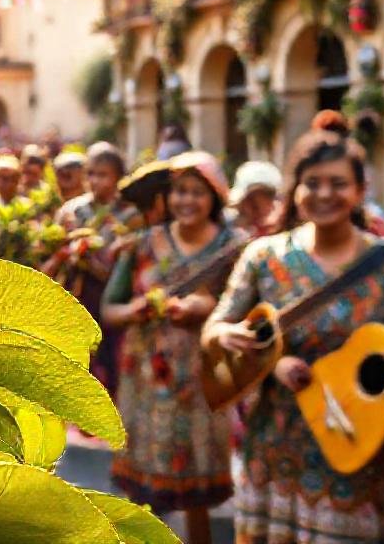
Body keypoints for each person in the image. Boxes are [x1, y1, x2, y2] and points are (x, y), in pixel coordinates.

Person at [206, 113, 384, 542]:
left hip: (361, 448)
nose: (325, 193)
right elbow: (216, 325)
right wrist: (244, 346)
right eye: (313, 182)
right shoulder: (263, 256)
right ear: (294, 191)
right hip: (276, 448)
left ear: (361, 192)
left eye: (339, 184)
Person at [103, 151, 241, 544]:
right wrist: (137, 308)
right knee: (142, 476)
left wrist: (207, 308)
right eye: (179, 191)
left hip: (200, 377)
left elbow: (252, 309)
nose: (187, 201)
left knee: (195, 485)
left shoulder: (233, 248)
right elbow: (110, 309)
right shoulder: (143, 244)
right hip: (145, 376)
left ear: (214, 197)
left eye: (198, 192)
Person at [42, 143, 142, 392]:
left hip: (113, 295)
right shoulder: (73, 211)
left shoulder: (130, 214)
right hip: (78, 293)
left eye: (103, 175)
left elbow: (133, 261)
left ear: (118, 177)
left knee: (112, 359)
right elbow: (54, 247)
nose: (95, 181)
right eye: (91, 174)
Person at [227, 160, 282, 237]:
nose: (247, 210)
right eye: (241, 204)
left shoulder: (281, 236)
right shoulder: (229, 229)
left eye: (255, 206)